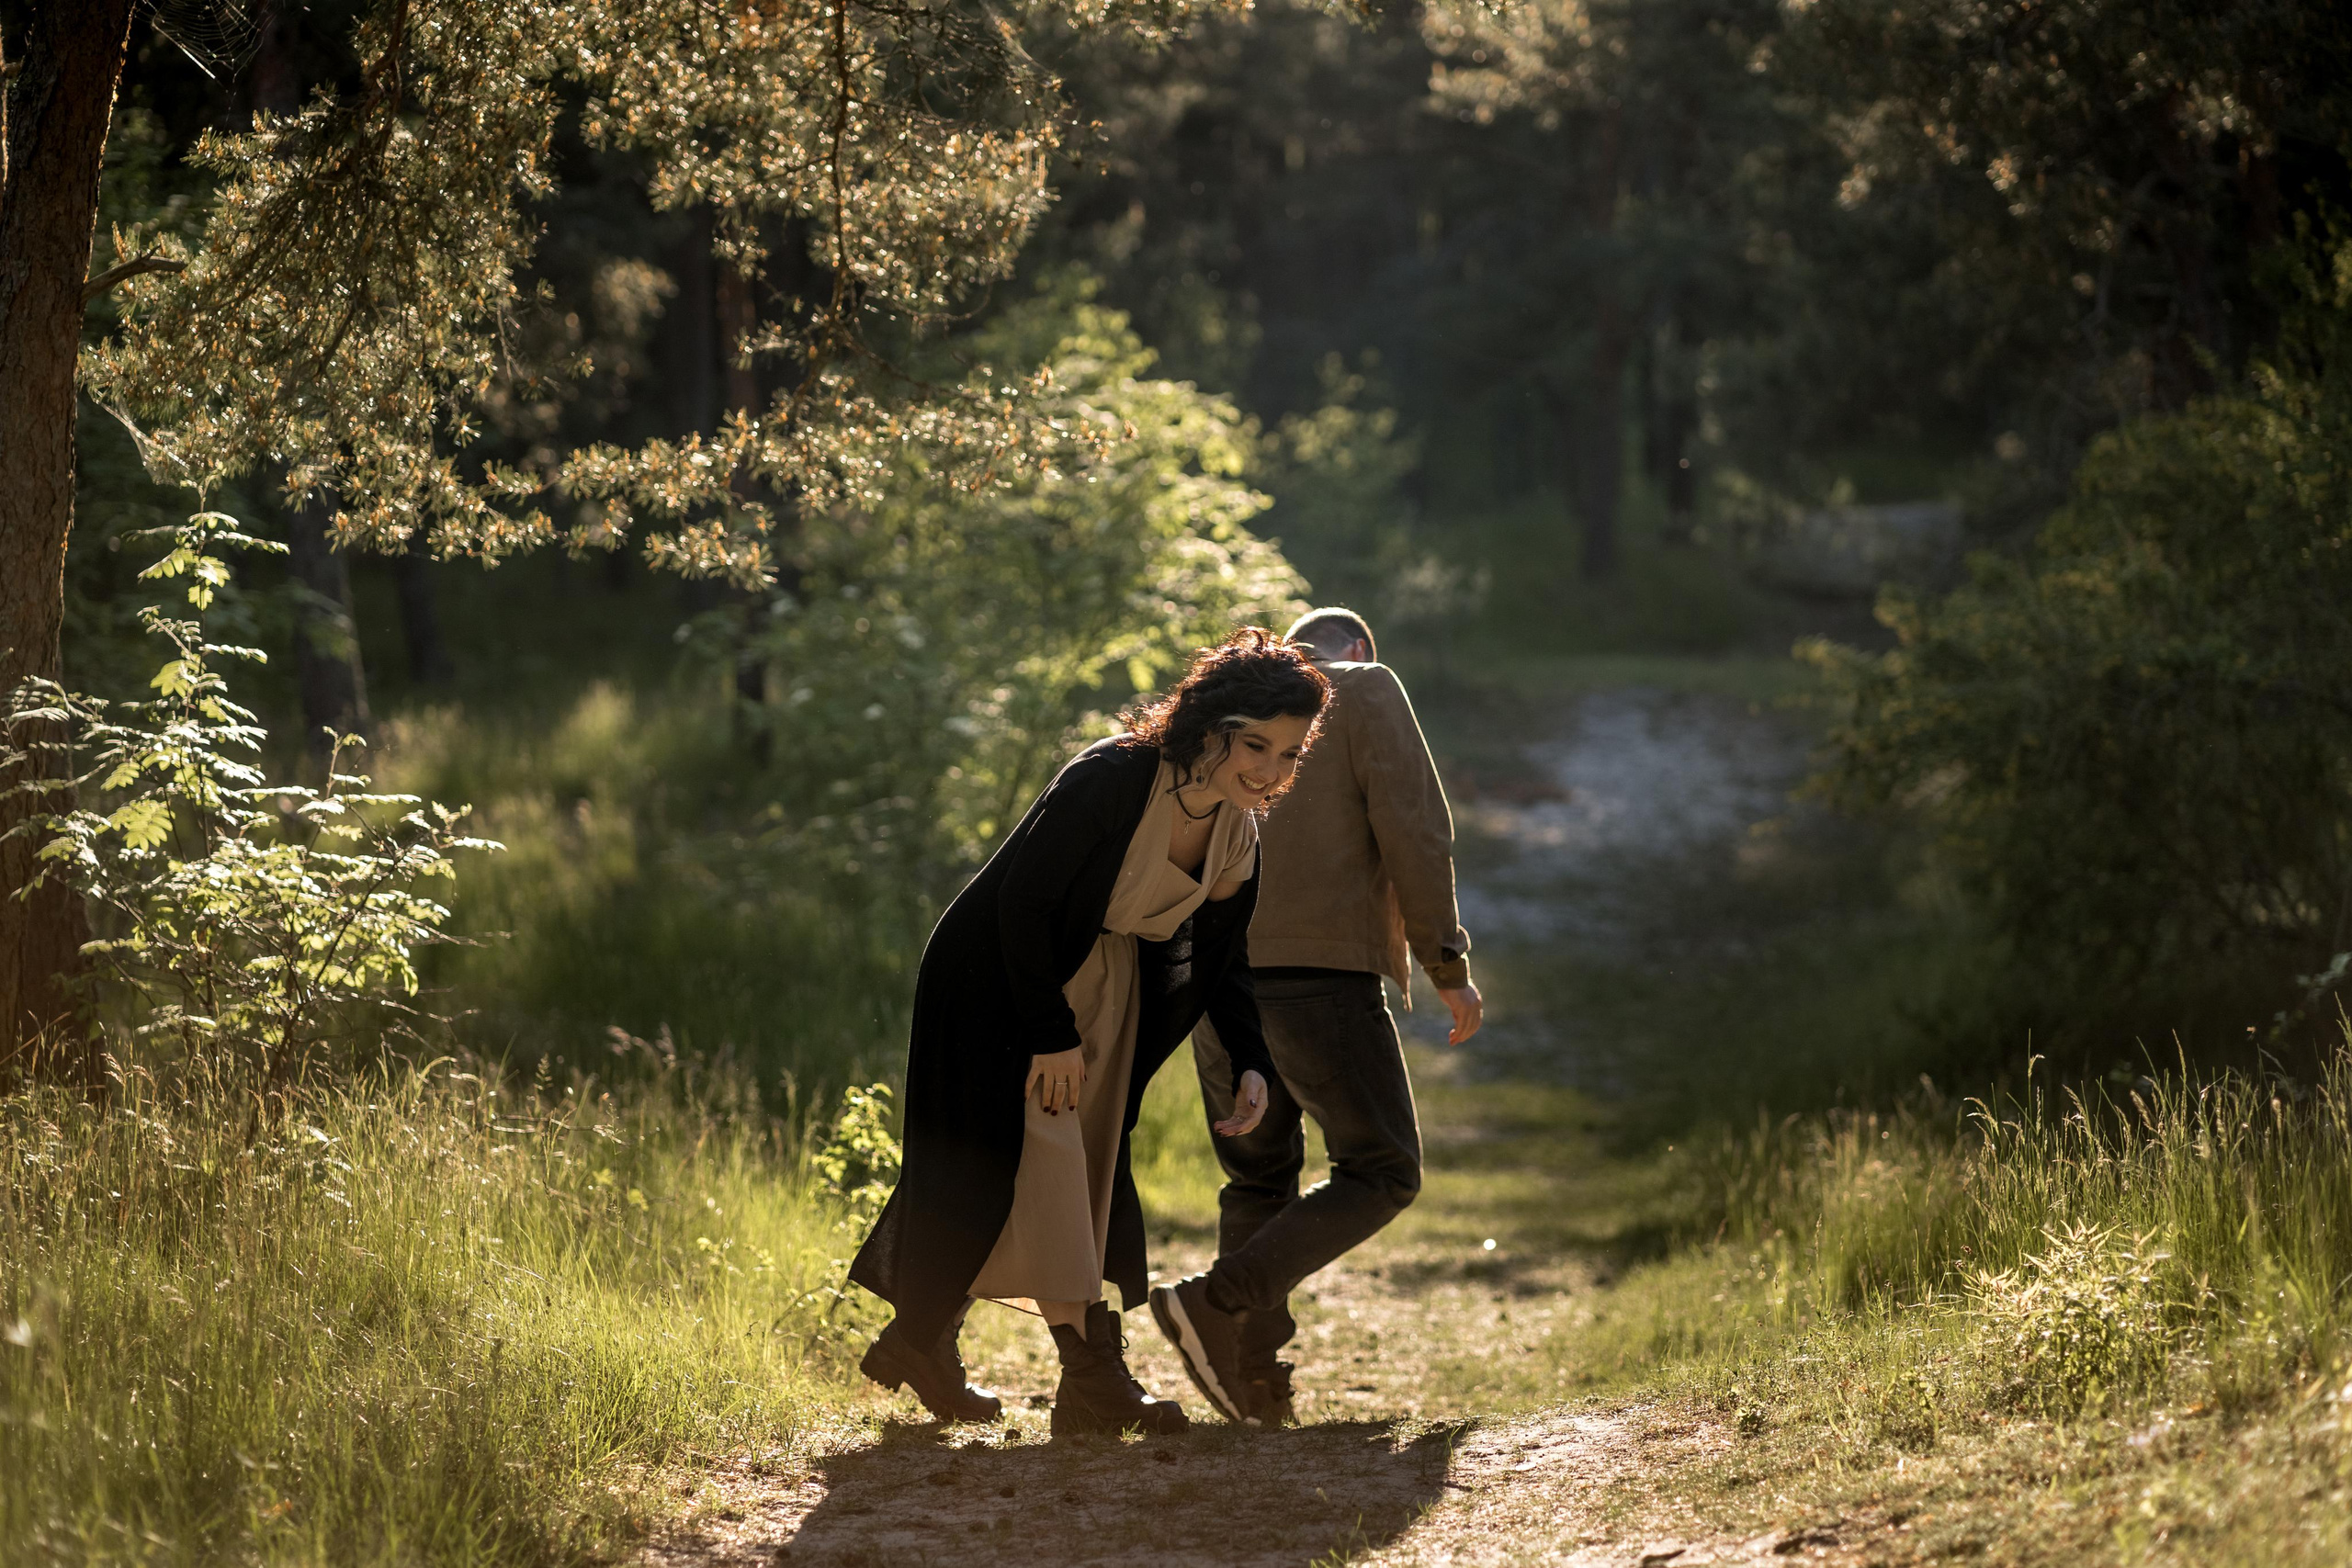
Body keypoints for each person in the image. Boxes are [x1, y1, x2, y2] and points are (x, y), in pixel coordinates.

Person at [848, 628, 1331, 1436]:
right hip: (998, 982)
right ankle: (1090, 1372)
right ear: (1209, 724)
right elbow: (1022, 905)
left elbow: (1224, 957)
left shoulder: (1240, 833)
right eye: (1256, 744)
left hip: (1102, 994)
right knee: (1032, 1163)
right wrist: (1047, 1031)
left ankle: (923, 1339)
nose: (1272, 770)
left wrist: (1251, 1057)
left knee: (1071, 1171)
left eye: (1290, 753)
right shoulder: (1113, 777)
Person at [1149, 607, 1482, 1426]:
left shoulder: (1229, 714)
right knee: (1383, 1168)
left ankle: (1250, 1379)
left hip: (1216, 982)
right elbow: (1414, 824)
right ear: (1360, 648)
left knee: (1257, 1177)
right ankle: (1216, 1302)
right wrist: (1447, 961)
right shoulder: (1365, 687)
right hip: (1320, 981)